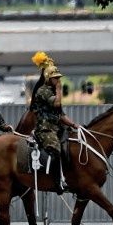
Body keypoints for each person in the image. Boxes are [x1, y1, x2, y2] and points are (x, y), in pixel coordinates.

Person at [31, 62, 79, 193]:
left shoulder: (52, 91)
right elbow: (57, 103)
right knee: (56, 149)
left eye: (59, 78)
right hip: (45, 129)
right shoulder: (43, 91)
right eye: (55, 78)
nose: (58, 80)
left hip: (57, 128)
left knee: (69, 147)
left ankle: (70, 177)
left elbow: (61, 115)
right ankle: (57, 182)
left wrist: (75, 125)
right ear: (48, 78)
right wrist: (59, 89)